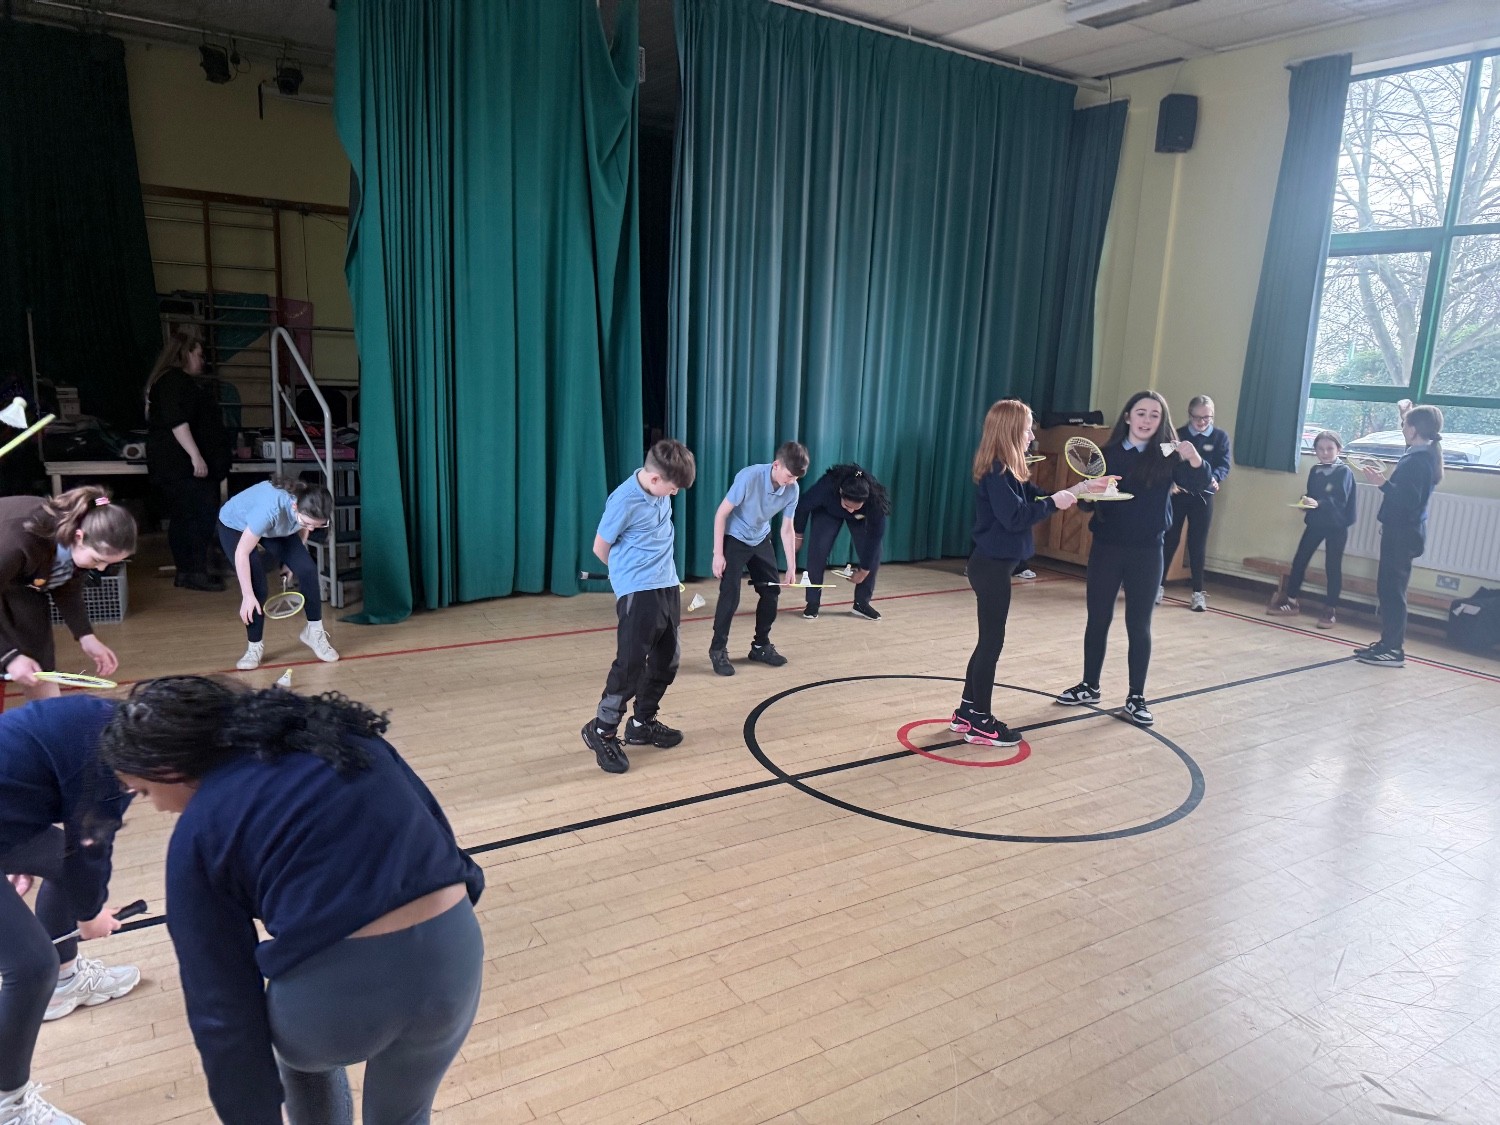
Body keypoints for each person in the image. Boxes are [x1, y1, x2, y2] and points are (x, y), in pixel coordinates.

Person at [98, 677, 486, 1125]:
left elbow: (220, 1003)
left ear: (168, 768)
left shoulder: (198, 833)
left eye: (144, 792)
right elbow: (437, 831)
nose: (158, 807)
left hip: (335, 1005)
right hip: (455, 959)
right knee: (405, 1116)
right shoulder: (342, 736)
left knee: (303, 1062)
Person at [1, 697, 139, 1125]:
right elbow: (90, 846)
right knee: (30, 966)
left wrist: (13, 839)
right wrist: (90, 915)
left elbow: (79, 855)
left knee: (64, 863)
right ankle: (7, 1105)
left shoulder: (113, 724)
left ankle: (66, 982)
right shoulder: (110, 766)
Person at [953, 401, 1106, 747]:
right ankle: (981, 722)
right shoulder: (997, 472)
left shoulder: (1010, 472)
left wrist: (1080, 491)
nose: (1031, 436)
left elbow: (1037, 499)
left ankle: (966, 711)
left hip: (994, 566)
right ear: (1010, 432)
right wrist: (1058, 500)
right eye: (1026, 430)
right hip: (990, 567)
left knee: (987, 642)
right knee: (991, 644)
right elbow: (1016, 517)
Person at [1055, 391, 1210, 725]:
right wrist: (1089, 494)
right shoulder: (1106, 454)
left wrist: (1195, 458)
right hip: (1107, 548)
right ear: (1128, 416)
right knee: (1098, 619)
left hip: (1148, 552)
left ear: (1162, 421)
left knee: (1139, 625)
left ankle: (1136, 697)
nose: (1146, 420)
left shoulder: (1169, 456)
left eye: (1154, 415)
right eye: (1141, 413)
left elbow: (1199, 484)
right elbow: (1087, 503)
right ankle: (1089, 685)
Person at [581, 439, 697, 775]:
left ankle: (642, 723)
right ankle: (602, 730)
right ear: (655, 478)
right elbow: (600, 547)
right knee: (631, 664)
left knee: (667, 659)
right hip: (638, 590)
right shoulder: (624, 500)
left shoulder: (660, 491)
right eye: (673, 488)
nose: (675, 493)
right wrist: (626, 578)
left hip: (667, 584)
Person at [0, 488, 134, 707]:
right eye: (97, 559)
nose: (101, 569)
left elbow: (65, 584)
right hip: (8, 563)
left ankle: (49, 717)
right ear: (79, 537)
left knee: (39, 663)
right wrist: (8, 656)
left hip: (20, 579)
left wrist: (85, 636)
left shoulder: (74, 538)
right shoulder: (18, 540)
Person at [1354, 405, 1444, 668]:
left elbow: (1408, 500)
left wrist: (1382, 484)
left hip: (1403, 534)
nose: (1402, 428)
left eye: (1405, 424)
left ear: (1414, 430)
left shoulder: (1418, 461)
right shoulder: (1420, 454)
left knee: (1392, 591)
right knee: (1388, 588)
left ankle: (1393, 649)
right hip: (1402, 532)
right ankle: (1387, 643)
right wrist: (1407, 412)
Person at [708, 441, 809, 676]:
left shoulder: (792, 489)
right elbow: (721, 514)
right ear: (776, 465)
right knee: (730, 594)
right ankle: (718, 649)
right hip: (735, 536)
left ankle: (760, 646)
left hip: (761, 537)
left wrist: (791, 566)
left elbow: (787, 529)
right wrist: (718, 553)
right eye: (789, 475)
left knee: (771, 591)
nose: (792, 481)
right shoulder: (749, 477)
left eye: (796, 477)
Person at [145, 325, 231, 593]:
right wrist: (196, 456)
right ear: (186, 354)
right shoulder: (174, 381)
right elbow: (177, 421)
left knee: (189, 516)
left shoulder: (172, 382)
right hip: (183, 466)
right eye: (199, 354)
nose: (202, 360)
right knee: (194, 517)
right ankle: (192, 571)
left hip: (182, 466)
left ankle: (192, 570)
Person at [218, 477, 337, 669]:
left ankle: (314, 632)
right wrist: (247, 596)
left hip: (274, 525)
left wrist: (291, 563)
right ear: (295, 507)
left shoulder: (309, 504)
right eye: (308, 522)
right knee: (257, 586)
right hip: (235, 525)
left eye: (317, 525)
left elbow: (304, 528)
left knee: (307, 569)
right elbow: (242, 552)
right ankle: (253, 647)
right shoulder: (270, 510)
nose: (311, 528)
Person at [1266, 430, 1356, 629]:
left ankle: (1330, 609)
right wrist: (1305, 503)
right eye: (1320, 449)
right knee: (1300, 559)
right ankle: (1291, 601)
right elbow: (1312, 494)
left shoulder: (1344, 472)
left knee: (1332, 566)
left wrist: (1319, 503)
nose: (1325, 453)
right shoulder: (1315, 470)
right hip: (1316, 522)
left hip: (1336, 525)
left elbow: (1339, 500)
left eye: (1330, 449)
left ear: (1339, 450)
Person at [1158, 394, 1231, 612]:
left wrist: (1215, 477)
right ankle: (1158, 587)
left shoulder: (1220, 437)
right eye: (1197, 417)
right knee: (1169, 539)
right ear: (1189, 415)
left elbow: (1224, 464)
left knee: (1197, 544)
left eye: (1207, 417)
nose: (1201, 422)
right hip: (1179, 495)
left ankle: (1198, 593)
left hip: (1203, 497)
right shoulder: (1177, 434)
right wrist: (1170, 482)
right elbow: (1164, 461)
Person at [792, 463, 889, 621]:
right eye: (847, 505)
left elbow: (875, 536)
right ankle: (813, 602)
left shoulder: (875, 500)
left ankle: (861, 604)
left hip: (860, 519)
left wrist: (864, 570)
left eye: (855, 507)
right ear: (840, 492)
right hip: (827, 511)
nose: (850, 510)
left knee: (874, 554)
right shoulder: (826, 487)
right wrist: (798, 535)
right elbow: (802, 506)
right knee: (818, 551)